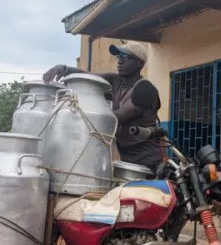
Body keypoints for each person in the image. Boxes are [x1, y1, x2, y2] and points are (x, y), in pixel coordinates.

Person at [43, 42, 163, 172]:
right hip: (127, 161)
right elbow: (88, 77)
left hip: (148, 164)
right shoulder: (116, 81)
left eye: (125, 57)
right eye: (119, 57)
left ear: (139, 63)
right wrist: (64, 69)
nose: (120, 61)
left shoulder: (145, 90)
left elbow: (116, 118)